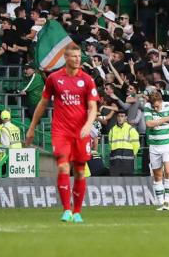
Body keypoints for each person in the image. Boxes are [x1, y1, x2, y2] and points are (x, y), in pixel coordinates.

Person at [24, 43, 99, 223]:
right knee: (63, 167)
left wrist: (89, 124)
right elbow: (42, 104)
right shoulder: (54, 79)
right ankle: (66, 209)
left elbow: (93, 106)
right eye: (74, 56)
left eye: (79, 56)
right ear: (66, 58)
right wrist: (32, 127)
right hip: (61, 131)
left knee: (80, 172)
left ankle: (77, 212)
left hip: (81, 132)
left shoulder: (87, 80)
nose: (77, 59)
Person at [142, 89, 169, 210]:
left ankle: (166, 202)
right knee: (157, 175)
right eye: (154, 107)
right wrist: (165, 119)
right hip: (154, 145)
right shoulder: (147, 106)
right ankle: (160, 202)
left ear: (161, 101)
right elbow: (149, 124)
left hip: (168, 144)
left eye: (157, 106)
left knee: (168, 171)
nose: (156, 109)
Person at [108, 110, 140, 176]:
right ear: (117, 117)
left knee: (128, 181)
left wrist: (133, 154)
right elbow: (110, 143)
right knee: (115, 181)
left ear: (126, 118)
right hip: (115, 159)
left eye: (122, 116)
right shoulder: (112, 130)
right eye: (119, 116)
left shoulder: (131, 129)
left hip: (127, 159)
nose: (120, 118)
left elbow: (136, 144)